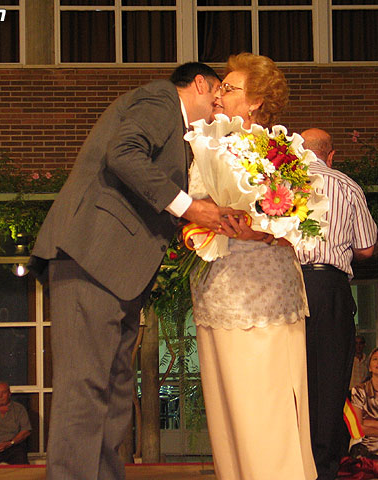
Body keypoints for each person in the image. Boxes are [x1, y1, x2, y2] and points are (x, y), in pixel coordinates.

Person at [29, 62, 238, 480]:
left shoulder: (181, 132)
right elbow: (124, 153)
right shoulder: (161, 99)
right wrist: (189, 207)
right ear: (199, 83)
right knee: (85, 386)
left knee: (115, 389)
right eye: (218, 91)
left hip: (116, 268)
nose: (220, 103)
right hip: (91, 254)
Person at [190, 52, 317, 480]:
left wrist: (263, 229)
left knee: (265, 407)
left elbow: (299, 220)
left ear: (256, 101)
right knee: (227, 413)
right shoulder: (207, 144)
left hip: (264, 296)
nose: (218, 95)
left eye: (228, 88)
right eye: (219, 88)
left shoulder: (278, 152)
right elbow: (191, 213)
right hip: (217, 290)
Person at [298, 127, 378, 480]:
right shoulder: (347, 185)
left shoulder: (278, 182)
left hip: (287, 283)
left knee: (289, 376)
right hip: (330, 286)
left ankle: (289, 464)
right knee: (330, 380)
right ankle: (323, 469)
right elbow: (366, 248)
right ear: (331, 155)